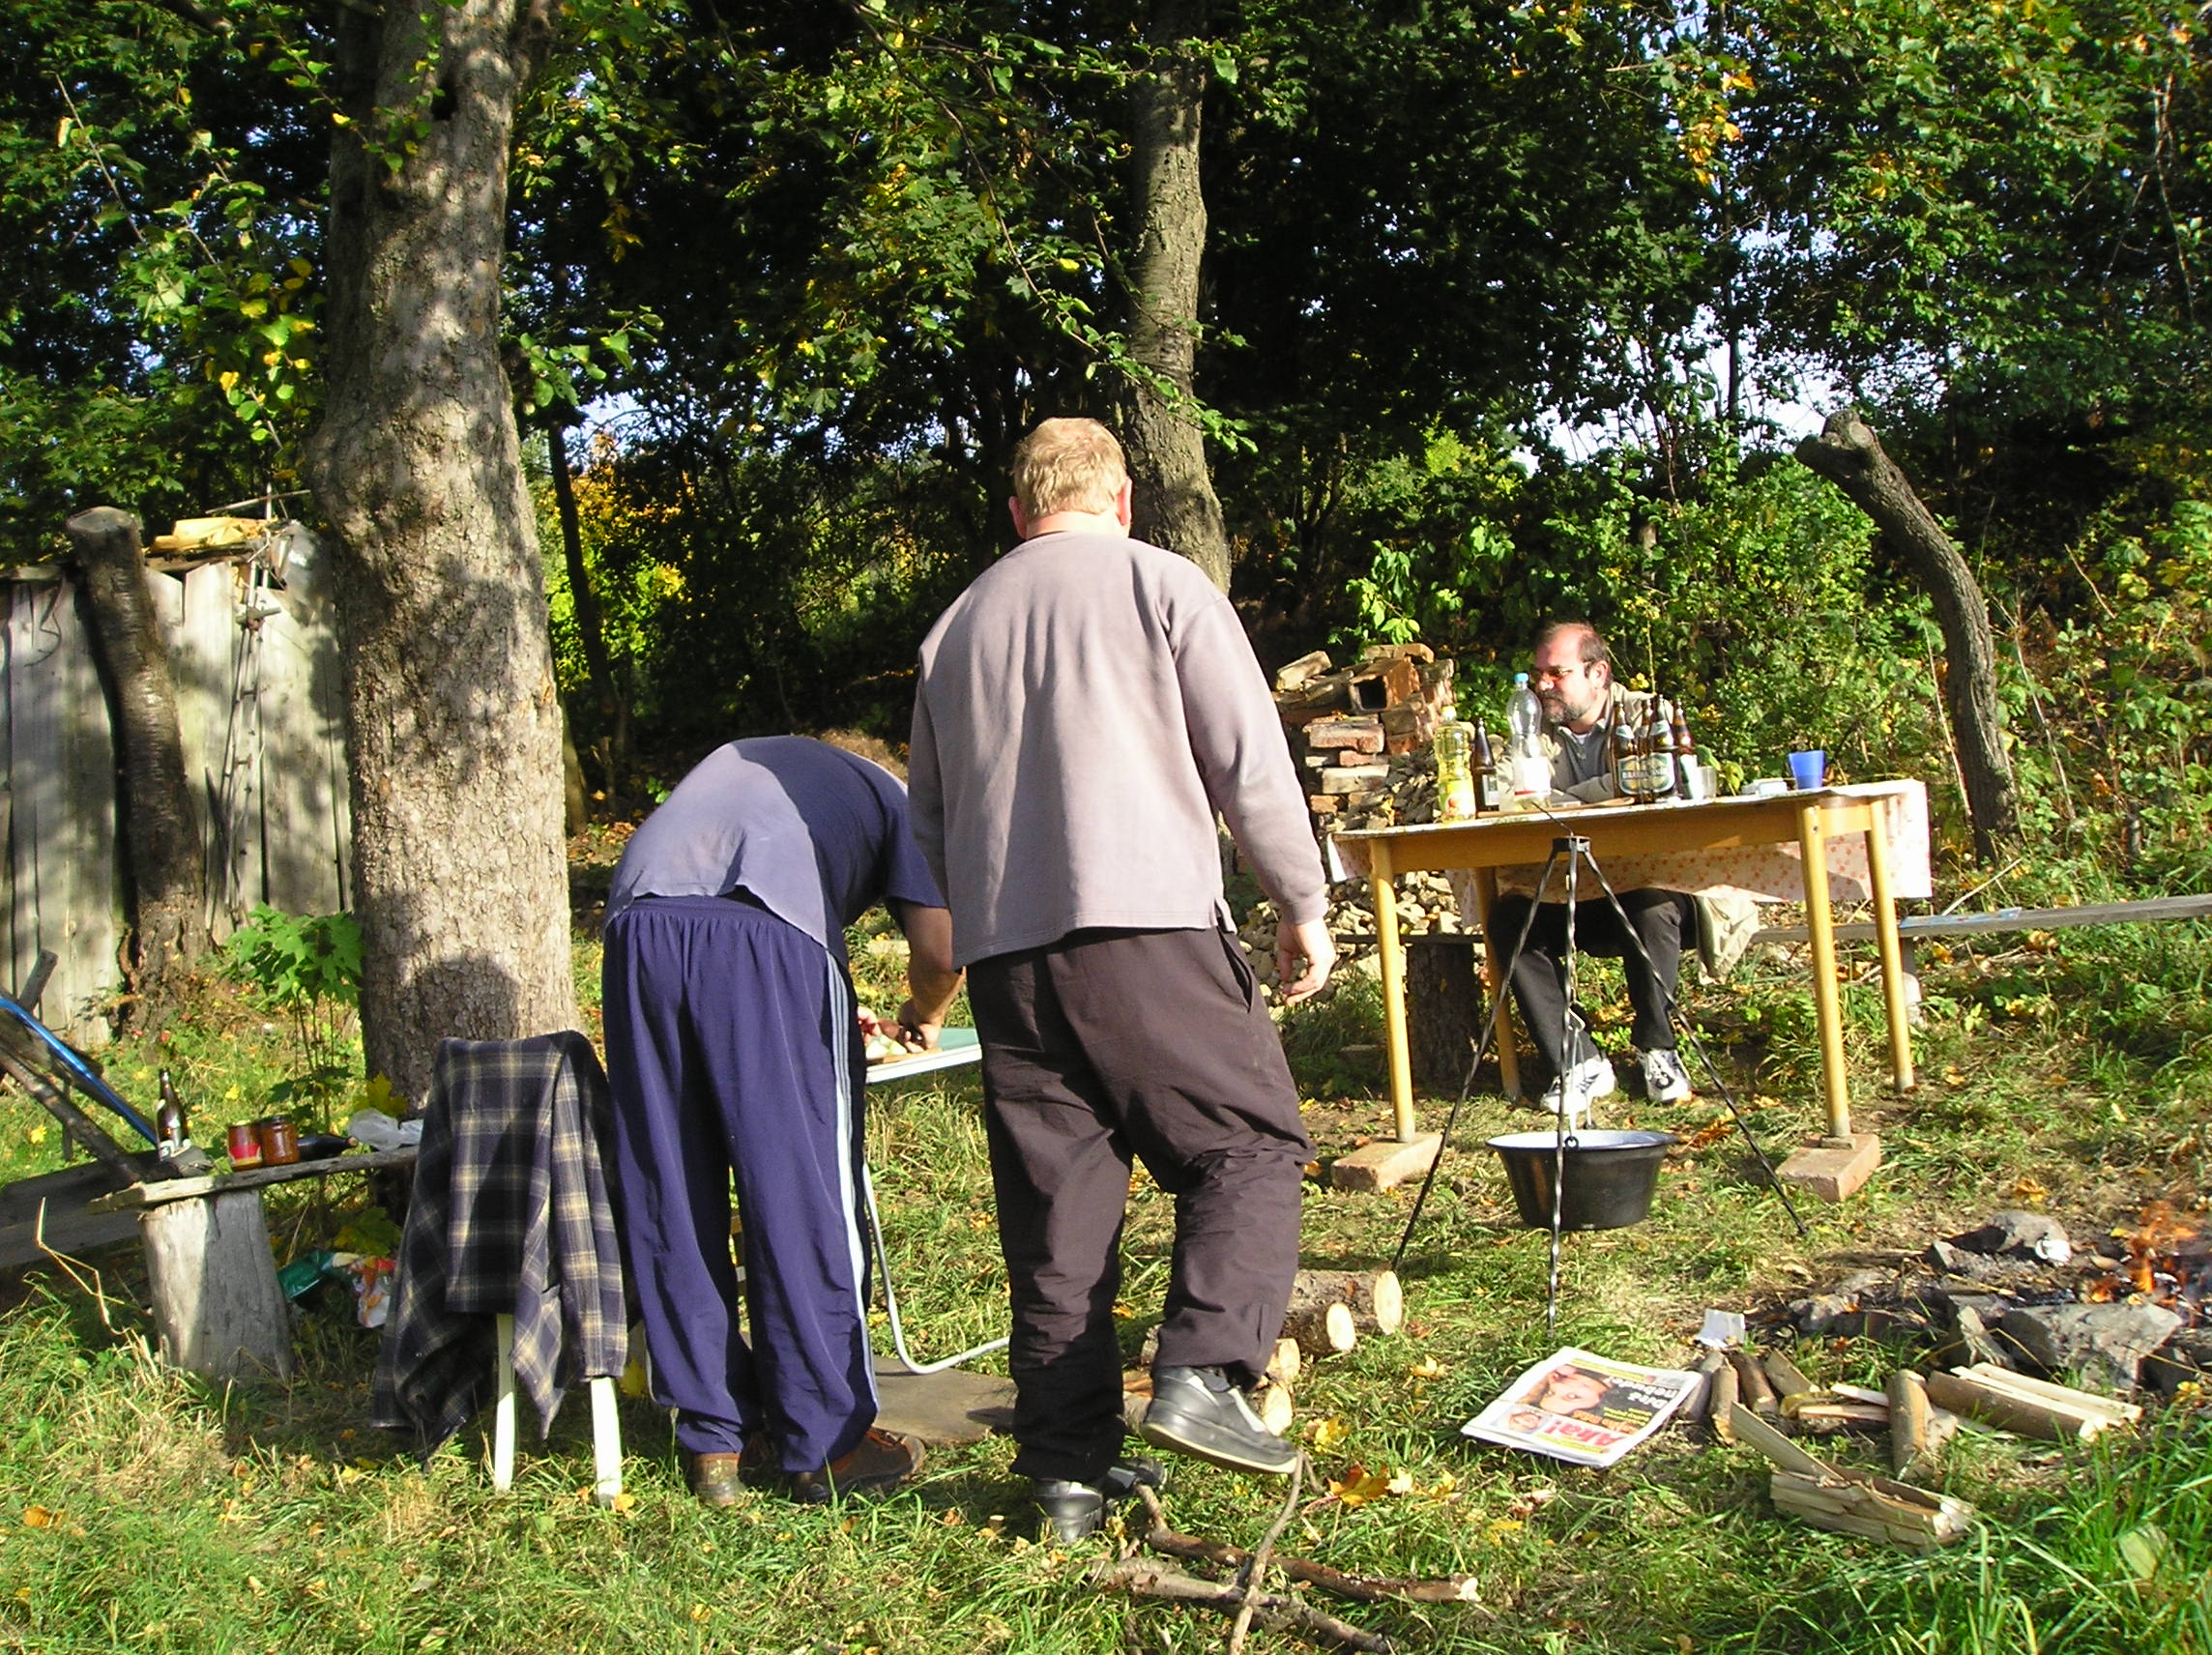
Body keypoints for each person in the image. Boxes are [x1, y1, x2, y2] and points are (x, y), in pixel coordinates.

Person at [908, 416, 1335, 1542]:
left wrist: (986, 924)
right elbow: (1247, 761)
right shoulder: (1164, 586)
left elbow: (930, 824)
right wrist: (1301, 900)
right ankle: (1203, 1370)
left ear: (1018, 511)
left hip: (1007, 957)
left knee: (1057, 1218)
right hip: (1147, 926)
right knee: (1249, 1143)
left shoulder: (955, 625)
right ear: (1124, 498)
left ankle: (1065, 1474)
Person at [598, 735, 964, 1508]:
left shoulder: (752, 765)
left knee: (672, 1187)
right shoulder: (895, 798)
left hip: (637, 929)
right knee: (798, 1191)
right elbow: (941, 952)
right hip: (766, 934)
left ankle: (715, 1438)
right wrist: (924, 1015)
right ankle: (827, 1445)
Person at [1488, 623, 1725, 1115]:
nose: (1543, 685)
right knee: (1510, 916)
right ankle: (1577, 1061)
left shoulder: (1648, 714)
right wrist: (1597, 795)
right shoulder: (1529, 728)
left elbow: (1647, 779)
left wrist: (1563, 799)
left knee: (1650, 903)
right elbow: (1507, 795)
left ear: (1598, 673)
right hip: (1570, 891)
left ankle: (1658, 1049)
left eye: (1557, 673)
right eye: (1539, 674)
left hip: (1647, 885)